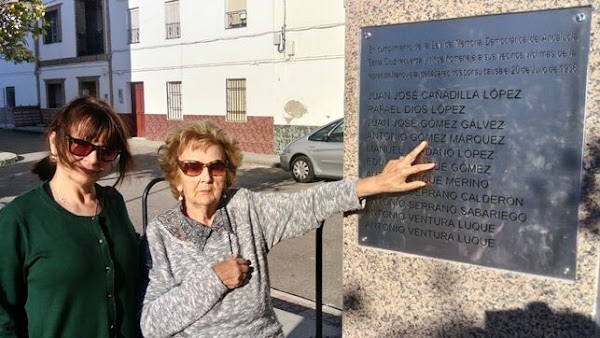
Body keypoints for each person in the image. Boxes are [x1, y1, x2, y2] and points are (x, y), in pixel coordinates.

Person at [140, 120, 434, 337]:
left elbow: (308, 203)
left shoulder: (244, 208)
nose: (205, 177)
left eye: (215, 167)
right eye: (192, 167)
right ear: (176, 178)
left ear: (225, 174)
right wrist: (214, 279)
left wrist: (375, 184)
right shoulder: (161, 233)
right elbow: (152, 324)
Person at [0, 96, 142, 337]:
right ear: (55, 142)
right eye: (81, 145)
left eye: (106, 151)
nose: (93, 159)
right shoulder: (19, 219)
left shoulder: (114, 203)